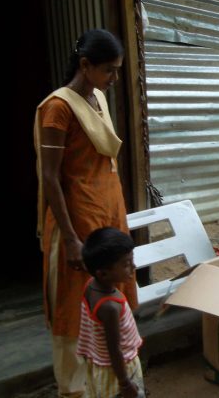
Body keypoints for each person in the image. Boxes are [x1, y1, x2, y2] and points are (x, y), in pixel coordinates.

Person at [34, 29, 138, 398]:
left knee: (111, 297)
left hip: (107, 211)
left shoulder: (97, 98)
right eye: (109, 70)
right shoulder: (58, 108)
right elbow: (49, 175)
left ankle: (111, 380)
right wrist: (73, 239)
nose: (114, 78)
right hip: (76, 220)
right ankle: (75, 389)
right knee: (73, 307)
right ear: (84, 65)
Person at [77, 227, 145, 398]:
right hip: (118, 369)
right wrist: (125, 383)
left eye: (132, 260)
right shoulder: (110, 307)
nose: (133, 266)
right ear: (104, 273)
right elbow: (114, 349)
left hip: (98, 362)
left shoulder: (90, 285)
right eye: (126, 264)